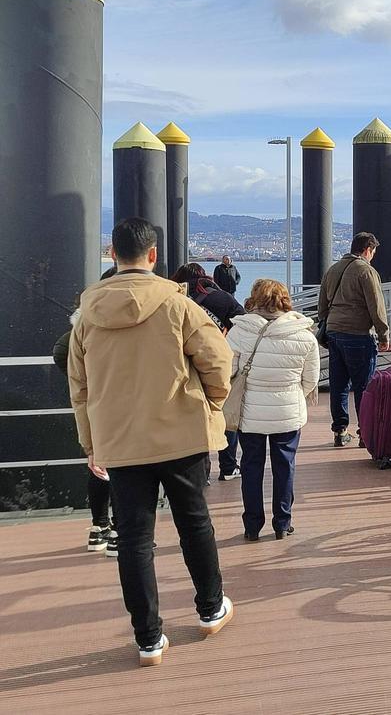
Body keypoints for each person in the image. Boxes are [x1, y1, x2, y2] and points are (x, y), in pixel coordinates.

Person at [68, 216, 235, 666]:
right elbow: (219, 360)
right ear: (154, 255)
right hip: (181, 433)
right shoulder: (177, 304)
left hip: (121, 441)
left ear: (112, 254)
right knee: (195, 523)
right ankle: (210, 608)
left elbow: (78, 388)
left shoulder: (87, 316)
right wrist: (210, 402)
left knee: (135, 539)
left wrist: (91, 443)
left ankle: (148, 638)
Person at [226, 279, 319, 542]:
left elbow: (228, 372)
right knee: (285, 465)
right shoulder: (303, 334)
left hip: (250, 413)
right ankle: (282, 522)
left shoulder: (239, 331)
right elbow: (311, 380)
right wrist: (293, 395)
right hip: (287, 412)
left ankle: (252, 525)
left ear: (254, 299)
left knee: (251, 466)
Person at [53, 265, 120, 558]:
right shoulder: (126, 321)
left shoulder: (82, 321)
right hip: (125, 404)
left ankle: (98, 526)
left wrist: (83, 379)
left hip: (94, 404)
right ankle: (119, 528)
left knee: (98, 465)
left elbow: (61, 352)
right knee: (126, 468)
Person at [318, 232, 391, 447]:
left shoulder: (332, 270)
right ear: (367, 249)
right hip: (358, 334)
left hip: (334, 332)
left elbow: (322, 305)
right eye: (373, 253)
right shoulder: (366, 271)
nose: (372, 257)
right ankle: (365, 432)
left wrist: (328, 326)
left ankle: (340, 431)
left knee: (338, 385)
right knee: (364, 387)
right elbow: (376, 307)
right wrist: (383, 335)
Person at [172, 263, 246, 481]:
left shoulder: (175, 299)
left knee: (191, 417)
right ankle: (228, 466)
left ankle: (201, 472)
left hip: (183, 364)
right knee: (224, 412)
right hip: (218, 362)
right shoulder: (221, 297)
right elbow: (242, 322)